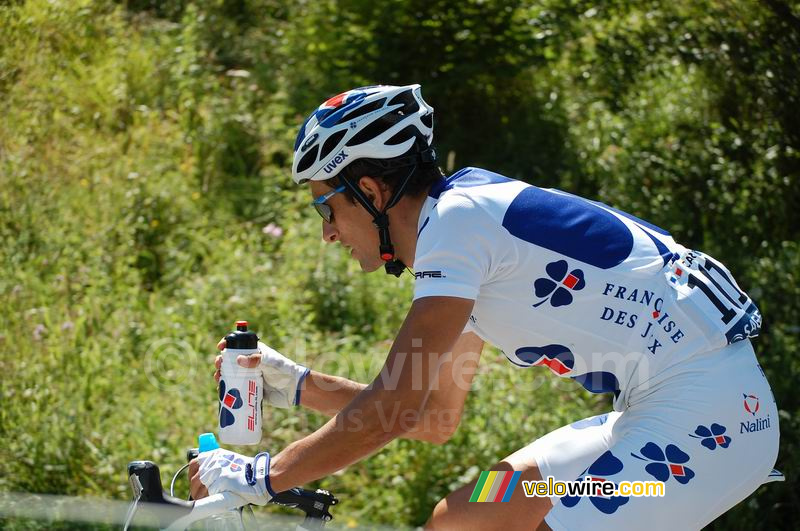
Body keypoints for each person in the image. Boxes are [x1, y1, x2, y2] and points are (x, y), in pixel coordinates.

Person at [189, 84, 781, 530]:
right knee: (463, 520)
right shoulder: (463, 247)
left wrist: (263, 476)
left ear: (368, 192)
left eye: (326, 209)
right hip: (658, 414)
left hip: (712, 425)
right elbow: (430, 416)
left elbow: (392, 409)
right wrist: (295, 384)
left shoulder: (458, 226)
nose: (327, 233)